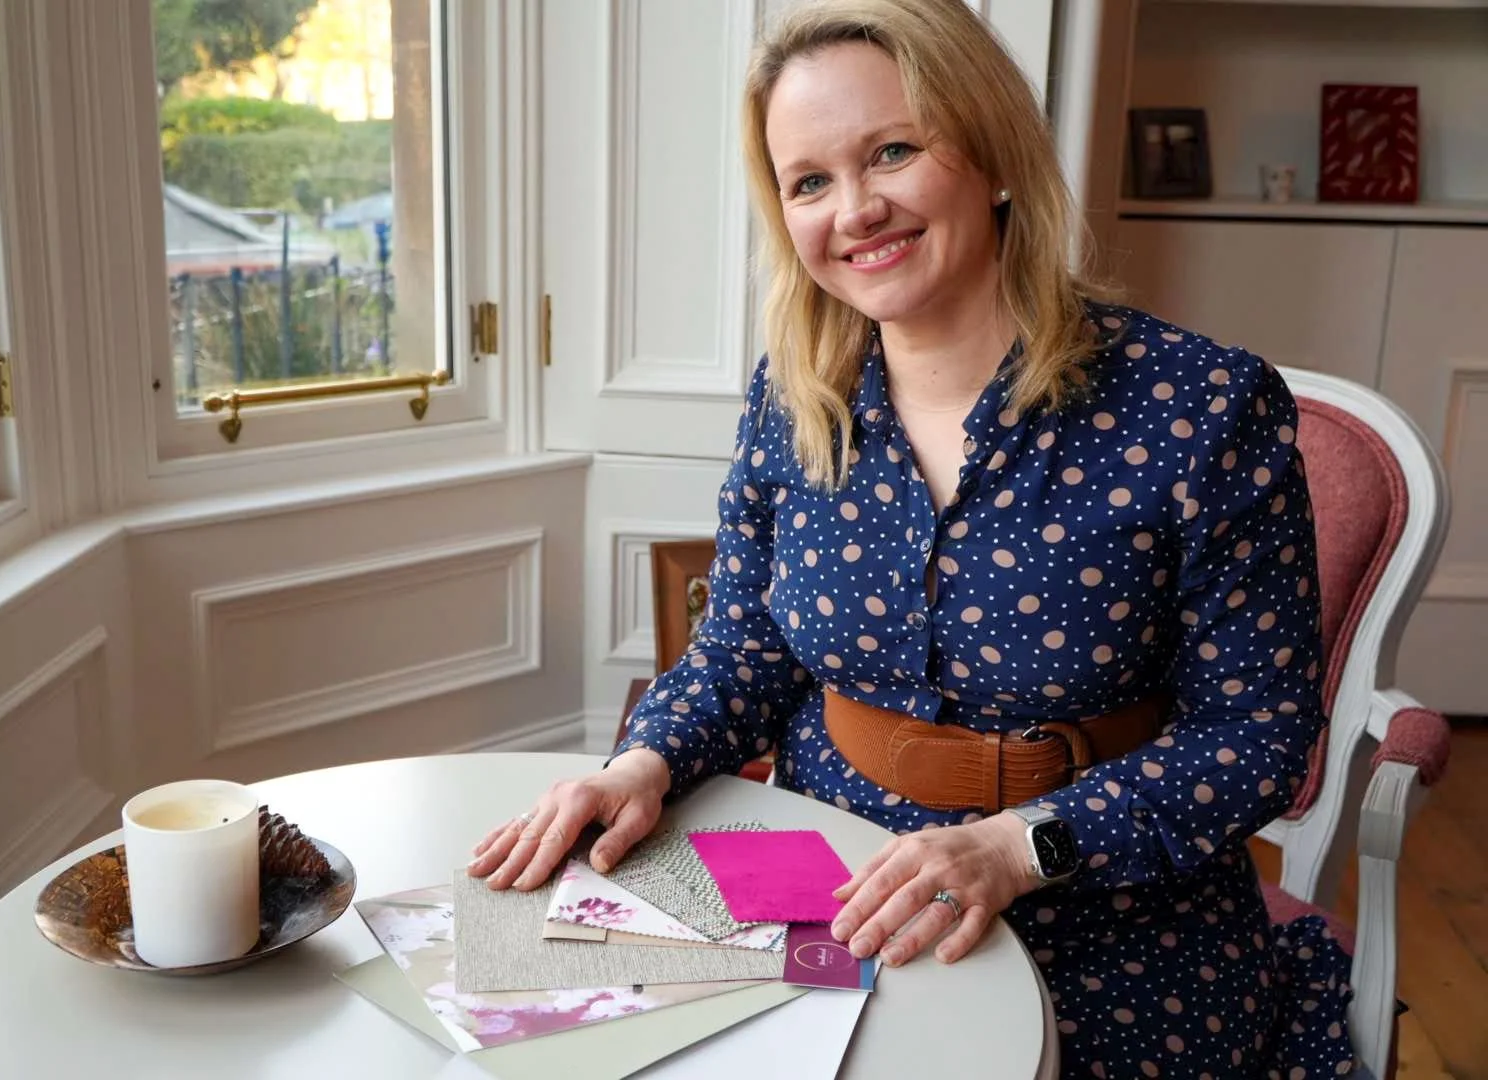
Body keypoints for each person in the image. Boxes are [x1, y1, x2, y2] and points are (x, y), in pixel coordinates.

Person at [468, 1, 1360, 1075]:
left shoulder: (1198, 405)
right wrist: (642, 763)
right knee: (540, 1012)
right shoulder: (794, 399)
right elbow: (745, 651)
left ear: (988, 154)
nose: (854, 210)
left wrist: (1020, 847)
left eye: (890, 151)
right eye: (807, 181)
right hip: (823, 876)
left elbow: (1253, 736)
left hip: (1104, 908)